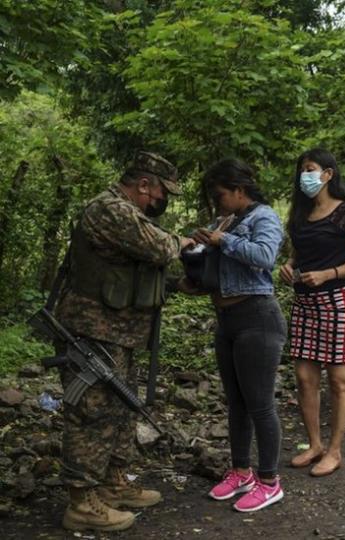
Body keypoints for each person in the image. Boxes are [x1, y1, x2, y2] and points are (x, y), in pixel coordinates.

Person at [52, 151, 191, 532]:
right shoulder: (110, 209)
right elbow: (161, 248)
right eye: (161, 192)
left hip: (118, 332)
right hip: (92, 330)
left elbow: (135, 272)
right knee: (91, 413)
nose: (161, 201)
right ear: (144, 183)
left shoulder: (127, 213)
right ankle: (81, 501)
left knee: (122, 409)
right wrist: (186, 240)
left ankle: (112, 484)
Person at [189, 159, 287, 512]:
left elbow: (264, 257)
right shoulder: (224, 221)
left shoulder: (264, 217)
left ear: (239, 190)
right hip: (227, 318)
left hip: (257, 318)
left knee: (260, 404)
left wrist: (223, 239)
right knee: (237, 403)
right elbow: (219, 269)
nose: (217, 202)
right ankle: (241, 471)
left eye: (220, 195)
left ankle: (269, 481)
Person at [281, 148, 345, 477]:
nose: (305, 175)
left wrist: (328, 274)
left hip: (339, 303)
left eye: (311, 169)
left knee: (339, 381)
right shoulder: (301, 215)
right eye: (302, 169)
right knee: (305, 379)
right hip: (305, 305)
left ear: (328, 174)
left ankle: (334, 450)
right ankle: (315, 444)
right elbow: (297, 253)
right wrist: (288, 267)